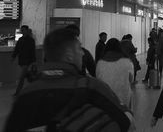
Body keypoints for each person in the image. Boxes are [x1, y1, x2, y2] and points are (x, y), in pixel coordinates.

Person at [4, 28, 133, 132]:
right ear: (69, 55)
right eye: (79, 48)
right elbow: (127, 122)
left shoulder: (26, 95)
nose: (82, 53)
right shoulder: (90, 87)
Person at [96, 38, 134, 109]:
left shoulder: (100, 63)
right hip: (124, 99)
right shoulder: (127, 62)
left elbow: (98, 80)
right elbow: (131, 80)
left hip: (106, 100)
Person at [11, 25, 36, 96]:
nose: (22, 31)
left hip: (27, 61)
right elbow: (17, 49)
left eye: (23, 30)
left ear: (27, 30)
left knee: (21, 77)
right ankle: (33, 89)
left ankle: (18, 92)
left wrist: (34, 61)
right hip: (22, 61)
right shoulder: (20, 39)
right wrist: (13, 57)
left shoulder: (31, 40)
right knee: (27, 76)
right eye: (22, 30)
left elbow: (32, 51)